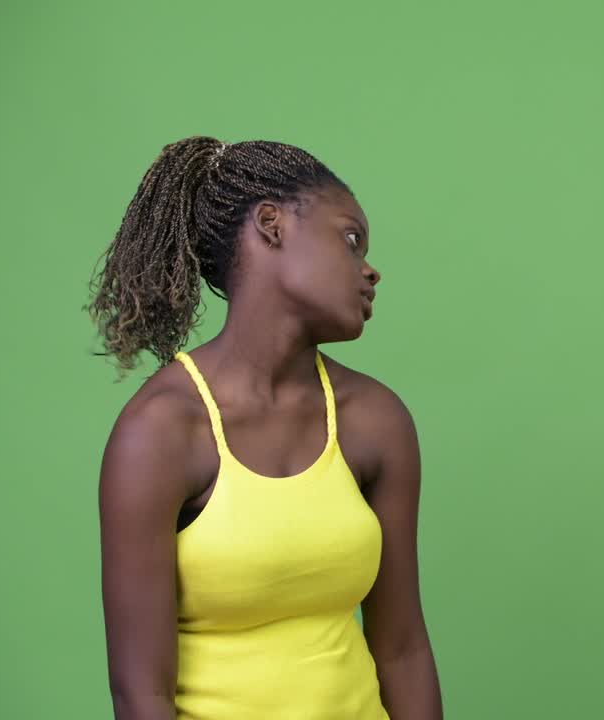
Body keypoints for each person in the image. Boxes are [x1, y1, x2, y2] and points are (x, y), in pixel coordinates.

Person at [90, 137, 442, 719]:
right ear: (271, 225)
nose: (369, 268)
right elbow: (141, 696)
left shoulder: (375, 420)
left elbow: (403, 651)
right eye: (351, 240)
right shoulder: (161, 432)